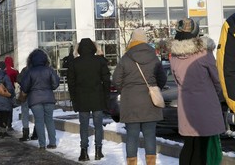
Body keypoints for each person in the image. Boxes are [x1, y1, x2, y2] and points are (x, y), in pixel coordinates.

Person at [167, 18, 225, 165]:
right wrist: (216, 94)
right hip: (206, 106)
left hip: (186, 106)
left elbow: (176, 80)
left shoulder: (174, 56)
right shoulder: (204, 53)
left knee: (189, 145)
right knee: (202, 147)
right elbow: (217, 79)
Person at [112, 29, 167, 165]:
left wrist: (125, 90)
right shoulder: (154, 57)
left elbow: (116, 80)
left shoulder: (126, 58)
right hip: (150, 102)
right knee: (150, 135)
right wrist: (154, 88)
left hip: (130, 102)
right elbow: (162, 78)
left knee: (132, 136)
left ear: (132, 40)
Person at [67, 38, 111, 162]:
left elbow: (71, 83)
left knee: (84, 126)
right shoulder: (100, 61)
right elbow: (107, 79)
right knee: (98, 126)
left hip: (82, 98)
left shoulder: (75, 63)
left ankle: (84, 152)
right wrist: (105, 95)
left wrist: (74, 99)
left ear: (79, 49)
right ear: (93, 48)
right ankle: (98, 151)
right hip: (97, 97)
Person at [20, 48, 60, 149]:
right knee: (49, 120)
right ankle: (53, 142)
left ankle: (42, 144)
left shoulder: (30, 71)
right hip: (48, 98)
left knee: (39, 121)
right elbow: (55, 84)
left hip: (35, 100)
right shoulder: (49, 70)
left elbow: (24, 87)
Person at [0, 61, 15, 138]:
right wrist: (12, 94)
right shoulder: (5, 76)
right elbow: (10, 87)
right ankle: (3, 131)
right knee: (5, 115)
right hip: (5, 98)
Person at [17, 61, 37, 142]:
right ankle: (36, 133)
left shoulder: (25, 69)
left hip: (25, 94)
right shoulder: (38, 70)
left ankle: (25, 134)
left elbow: (18, 79)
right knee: (37, 114)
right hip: (35, 95)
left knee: (25, 114)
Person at [4, 56, 19, 131]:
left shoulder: (2, 70)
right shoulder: (14, 71)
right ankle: (9, 124)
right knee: (10, 107)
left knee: (3, 106)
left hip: (2, 90)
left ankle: (3, 122)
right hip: (11, 90)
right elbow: (17, 80)